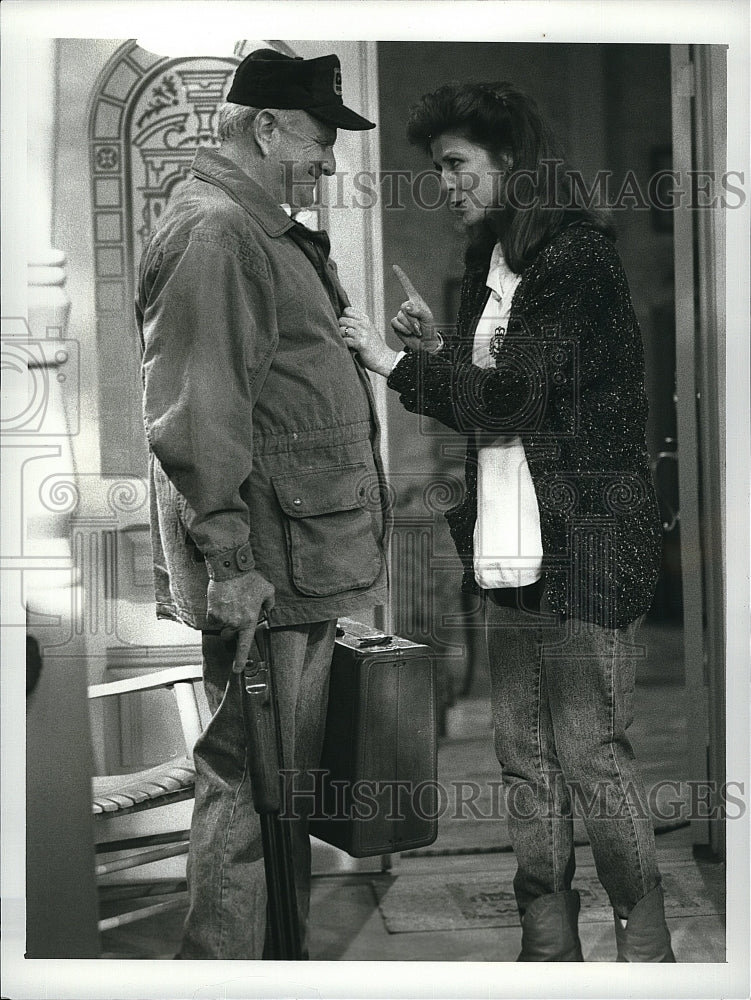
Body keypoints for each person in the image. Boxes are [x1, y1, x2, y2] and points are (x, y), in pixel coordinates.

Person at [340, 81, 676, 963]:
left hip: (587, 545)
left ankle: (643, 948)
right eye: (438, 168)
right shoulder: (483, 265)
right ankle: (547, 941)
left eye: (455, 166)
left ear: (510, 162)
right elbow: (499, 402)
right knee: (523, 760)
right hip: (507, 543)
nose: (444, 184)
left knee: (590, 755)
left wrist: (390, 363)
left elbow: (519, 393)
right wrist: (438, 353)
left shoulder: (576, 259)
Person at [136, 49, 389, 960]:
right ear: (265, 127)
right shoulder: (218, 233)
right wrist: (233, 563)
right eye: (318, 141)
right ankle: (226, 973)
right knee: (248, 780)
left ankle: (271, 965)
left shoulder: (251, 227)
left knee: (272, 779)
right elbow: (199, 412)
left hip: (292, 555)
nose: (327, 160)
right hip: (268, 562)